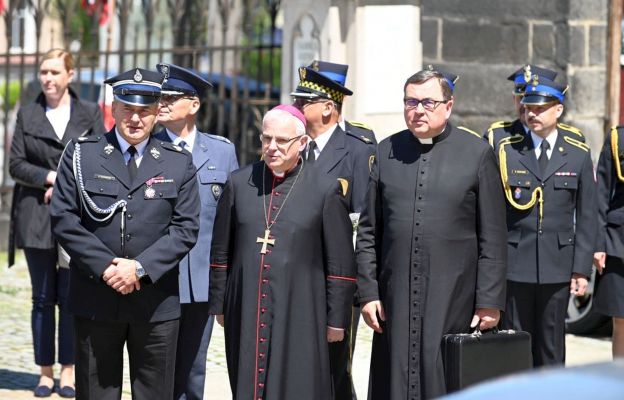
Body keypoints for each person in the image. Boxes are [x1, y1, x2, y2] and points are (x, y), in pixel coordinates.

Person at [356, 69, 507, 399]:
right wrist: (368, 292)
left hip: (454, 297)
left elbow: (493, 236)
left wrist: (489, 301)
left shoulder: (477, 153)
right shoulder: (385, 151)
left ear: (448, 106)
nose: (418, 110)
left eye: (428, 102)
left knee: (444, 374)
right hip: (395, 298)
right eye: (411, 101)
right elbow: (369, 230)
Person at [50, 68, 200, 399]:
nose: (135, 118)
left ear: (156, 112)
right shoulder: (82, 155)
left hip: (155, 303)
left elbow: (186, 227)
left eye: (144, 111)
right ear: (114, 108)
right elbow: (63, 217)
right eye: (127, 109)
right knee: (96, 393)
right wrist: (106, 266)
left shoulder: (178, 163)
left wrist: (140, 269)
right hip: (96, 298)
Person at [208, 105, 356, 399]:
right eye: (266, 139)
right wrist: (220, 304)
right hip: (246, 307)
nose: (271, 147)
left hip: (302, 309)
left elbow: (341, 262)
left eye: (281, 141)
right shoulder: (239, 183)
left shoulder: (325, 189)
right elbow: (221, 249)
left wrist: (336, 320)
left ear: (301, 143)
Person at [8, 48, 105, 398]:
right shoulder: (28, 113)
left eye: (54, 72)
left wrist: (66, 187)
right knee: (42, 297)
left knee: (70, 296)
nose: (48, 78)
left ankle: (68, 370)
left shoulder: (90, 112)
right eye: (43, 72)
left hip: (75, 217)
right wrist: (50, 177)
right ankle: (45, 372)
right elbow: (16, 165)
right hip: (35, 215)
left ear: (70, 75)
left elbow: (98, 162)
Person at [496, 76, 597, 366]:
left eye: (540, 108)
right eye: (528, 107)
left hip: (557, 266)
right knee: (515, 345)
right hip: (516, 265)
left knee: (552, 348)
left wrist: (580, 270)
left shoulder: (577, 155)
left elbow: (587, 217)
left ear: (558, 110)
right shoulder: (508, 153)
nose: (532, 114)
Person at [290, 60, 375, 400]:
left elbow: (364, 220)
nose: (296, 107)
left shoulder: (358, 148)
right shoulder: (291, 145)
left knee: (336, 366)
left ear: (328, 108)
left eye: (303, 102)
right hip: (295, 272)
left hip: (336, 278)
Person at [153, 63, 239, 400]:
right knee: (157, 364)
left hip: (201, 279)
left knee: (193, 367)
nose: (162, 103)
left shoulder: (221, 150)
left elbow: (230, 218)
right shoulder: (148, 146)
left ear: (194, 104)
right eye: (160, 97)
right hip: (158, 276)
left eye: (171, 97)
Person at [485, 64, 585, 147]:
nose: (526, 106)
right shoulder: (496, 138)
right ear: (513, 98)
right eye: (521, 98)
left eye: (537, 103)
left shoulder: (573, 139)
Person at [593, 125, 624, 358]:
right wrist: (599, 244)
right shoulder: (618, 138)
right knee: (621, 319)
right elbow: (601, 193)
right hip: (618, 242)